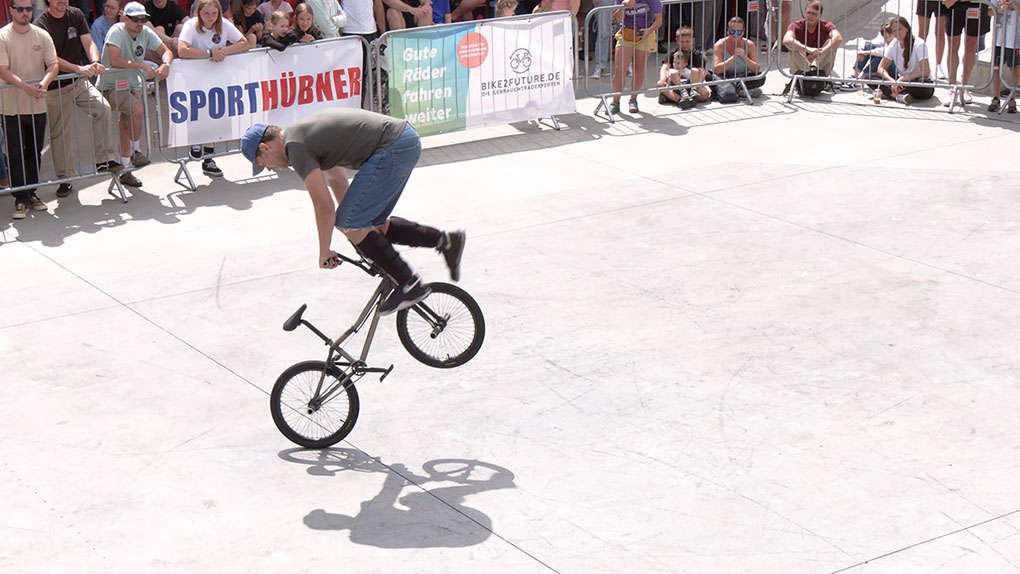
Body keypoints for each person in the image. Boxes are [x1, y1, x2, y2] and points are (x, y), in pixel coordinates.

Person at [240, 108, 466, 314]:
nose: (269, 168)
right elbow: (337, 181)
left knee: (350, 222)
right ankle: (446, 241)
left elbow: (324, 207)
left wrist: (325, 250)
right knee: (371, 224)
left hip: (393, 146)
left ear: (264, 147)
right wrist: (360, 235)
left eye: (263, 163)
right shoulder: (302, 135)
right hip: (403, 141)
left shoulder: (295, 147)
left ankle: (410, 284)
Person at [34, 0, 128, 199]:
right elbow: (52, 58)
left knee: (102, 108)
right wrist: (78, 68)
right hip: (55, 87)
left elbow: (88, 42)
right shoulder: (41, 24)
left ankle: (104, 160)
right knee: (60, 134)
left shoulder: (76, 14)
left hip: (78, 82)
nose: (62, 1)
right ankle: (65, 178)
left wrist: (94, 61)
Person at [97, 1, 173, 188]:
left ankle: (125, 168)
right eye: (135, 19)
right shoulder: (116, 31)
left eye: (143, 18)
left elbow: (167, 52)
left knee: (126, 124)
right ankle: (136, 150)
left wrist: (165, 65)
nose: (140, 22)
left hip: (132, 85)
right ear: (125, 18)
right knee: (137, 109)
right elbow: (114, 60)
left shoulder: (145, 32)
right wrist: (142, 65)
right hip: (111, 85)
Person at [0, 0, 59, 219]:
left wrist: (43, 83)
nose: (25, 13)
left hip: (37, 105)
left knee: (33, 152)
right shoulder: (3, 36)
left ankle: (32, 193)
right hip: (10, 107)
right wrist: (26, 87)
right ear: (11, 10)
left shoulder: (41, 35)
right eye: (21, 9)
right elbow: (3, 70)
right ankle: (20, 198)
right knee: (15, 154)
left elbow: (53, 64)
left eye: (28, 9)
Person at [178, 0, 249, 177]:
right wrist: (209, 54)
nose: (210, 17)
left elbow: (243, 42)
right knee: (197, 111)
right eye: (206, 14)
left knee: (215, 112)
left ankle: (209, 157)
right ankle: (195, 141)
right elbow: (182, 50)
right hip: (195, 78)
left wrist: (225, 51)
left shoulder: (224, 24)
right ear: (199, 13)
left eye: (214, 13)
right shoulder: (191, 26)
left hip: (218, 77)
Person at [608, 0, 662, 115]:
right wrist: (624, 5)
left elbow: (659, 20)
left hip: (644, 34)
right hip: (626, 33)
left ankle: (633, 99)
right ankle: (615, 101)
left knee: (638, 68)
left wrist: (649, 30)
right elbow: (617, 18)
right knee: (619, 69)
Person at [782, 0, 842, 95]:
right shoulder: (797, 25)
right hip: (802, 65)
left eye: (814, 14)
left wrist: (820, 52)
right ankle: (811, 69)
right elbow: (786, 40)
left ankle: (814, 68)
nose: (810, 16)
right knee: (793, 46)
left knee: (831, 44)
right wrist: (807, 49)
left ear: (820, 15)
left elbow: (838, 38)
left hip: (820, 64)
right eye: (808, 13)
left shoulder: (826, 25)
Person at [875, 16, 934, 105]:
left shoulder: (919, 44)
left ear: (907, 28)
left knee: (924, 84)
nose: (897, 33)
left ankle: (892, 93)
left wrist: (903, 79)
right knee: (871, 77)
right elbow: (881, 68)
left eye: (899, 29)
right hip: (899, 82)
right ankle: (899, 96)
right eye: (894, 31)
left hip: (915, 80)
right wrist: (892, 81)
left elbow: (925, 72)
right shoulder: (893, 44)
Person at [943, 0, 992, 105]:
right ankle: (952, 87)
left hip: (974, 5)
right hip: (953, 8)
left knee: (971, 46)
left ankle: (964, 86)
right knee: (952, 46)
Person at [713, 16, 763, 98]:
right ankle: (740, 91)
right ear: (727, 31)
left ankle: (734, 90)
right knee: (711, 77)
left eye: (739, 32)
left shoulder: (749, 44)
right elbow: (717, 70)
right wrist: (732, 58)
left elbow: (757, 69)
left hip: (743, 78)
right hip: (725, 77)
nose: (735, 35)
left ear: (743, 32)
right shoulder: (720, 45)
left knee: (761, 77)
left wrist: (744, 57)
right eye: (732, 31)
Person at [656, 26, 709, 104]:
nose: (684, 44)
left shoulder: (698, 55)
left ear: (693, 40)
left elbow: (702, 71)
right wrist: (662, 79)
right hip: (675, 83)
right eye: (682, 41)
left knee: (705, 94)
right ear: (677, 41)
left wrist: (699, 84)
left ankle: (673, 98)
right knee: (660, 85)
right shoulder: (672, 53)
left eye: (687, 41)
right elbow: (665, 67)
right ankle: (682, 100)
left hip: (691, 83)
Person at [988, 0, 1020, 112]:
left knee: (1014, 67)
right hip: (998, 38)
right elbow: (988, 12)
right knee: (996, 67)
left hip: (1014, 39)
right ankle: (995, 98)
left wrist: (1015, 5)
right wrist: (1000, 9)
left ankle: (1012, 98)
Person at [916, 0, 948, 80]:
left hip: (941, 2)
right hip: (924, 2)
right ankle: (920, 65)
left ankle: (938, 65)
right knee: (922, 34)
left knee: (940, 33)